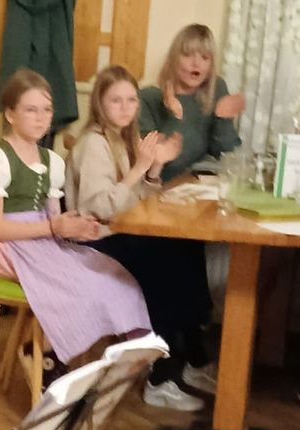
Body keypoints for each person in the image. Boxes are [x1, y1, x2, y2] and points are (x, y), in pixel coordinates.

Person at [0, 68, 151, 382]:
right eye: (31, 110)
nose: (41, 118)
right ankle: (48, 359)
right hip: (7, 246)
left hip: (42, 241)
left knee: (116, 276)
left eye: (47, 110)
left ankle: (120, 358)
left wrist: (75, 228)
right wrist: (53, 229)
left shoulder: (50, 160)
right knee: (83, 289)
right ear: (11, 114)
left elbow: (56, 220)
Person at [66, 65, 217, 411]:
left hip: (116, 233)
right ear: (100, 105)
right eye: (115, 101)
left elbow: (135, 202)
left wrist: (154, 169)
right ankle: (161, 378)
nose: (125, 107)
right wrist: (138, 170)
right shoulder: (94, 143)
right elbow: (98, 206)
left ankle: (192, 356)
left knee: (186, 246)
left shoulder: (123, 139)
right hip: (92, 243)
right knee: (162, 264)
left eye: (131, 100)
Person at [140, 23, 244, 181]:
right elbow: (161, 164)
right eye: (188, 55)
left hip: (194, 190)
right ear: (173, 59)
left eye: (205, 57)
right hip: (154, 191)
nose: (196, 63)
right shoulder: (148, 98)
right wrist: (174, 113)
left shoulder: (215, 89)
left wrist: (224, 119)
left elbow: (227, 156)